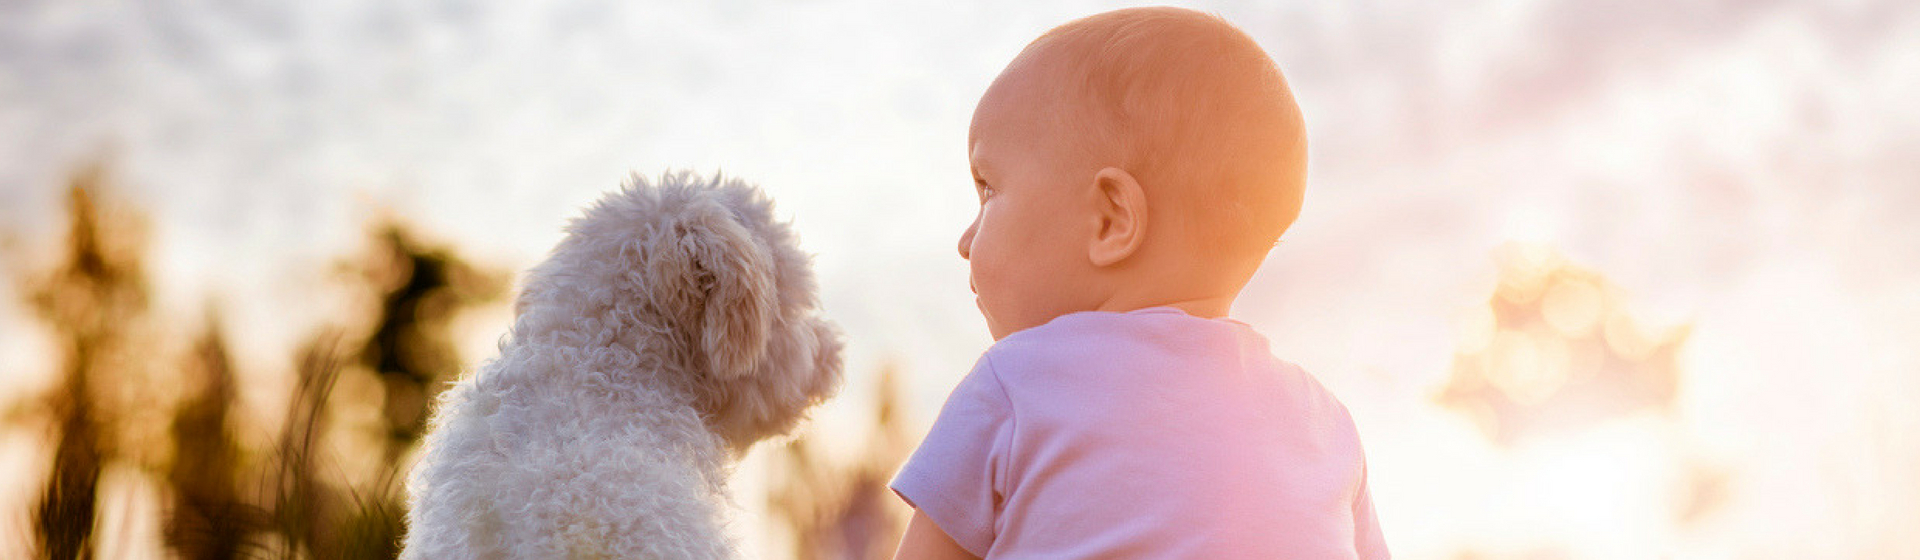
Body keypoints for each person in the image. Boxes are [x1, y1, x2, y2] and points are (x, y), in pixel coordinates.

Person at [887, 7, 1389, 559]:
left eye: (987, 189)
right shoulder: (1325, 423)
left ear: (1111, 219)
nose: (966, 239)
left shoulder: (1013, 385)